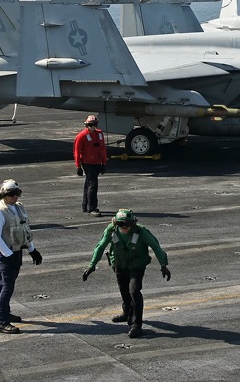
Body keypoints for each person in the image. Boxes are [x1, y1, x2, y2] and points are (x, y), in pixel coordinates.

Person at [82, 208, 170, 338]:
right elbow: (100, 246)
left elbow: (155, 246)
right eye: (120, 224)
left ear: (132, 223)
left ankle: (136, 325)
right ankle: (126, 312)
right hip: (119, 265)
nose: (124, 227)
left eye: (127, 224)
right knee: (124, 290)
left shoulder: (141, 231)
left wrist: (163, 264)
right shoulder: (111, 230)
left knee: (134, 291)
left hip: (137, 266)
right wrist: (92, 265)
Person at [0, 179, 42, 334]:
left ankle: (4, 312)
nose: (14, 197)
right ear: (3, 195)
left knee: (6, 286)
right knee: (7, 286)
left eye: (16, 194)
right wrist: (8, 254)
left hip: (16, 252)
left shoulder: (18, 208)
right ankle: (1, 322)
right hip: (4, 254)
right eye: (10, 194)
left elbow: (25, 229)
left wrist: (32, 250)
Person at [74, 115, 107, 216]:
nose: (93, 127)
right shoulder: (82, 136)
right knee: (93, 184)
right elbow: (76, 151)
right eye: (91, 125)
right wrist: (78, 166)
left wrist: (104, 163)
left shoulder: (100, 134)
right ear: (86, 125)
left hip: (97, 162)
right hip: (88, 163)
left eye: (95, 125)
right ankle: (92, 207)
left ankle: (85, 205)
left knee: (88, 184)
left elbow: (102, 149)